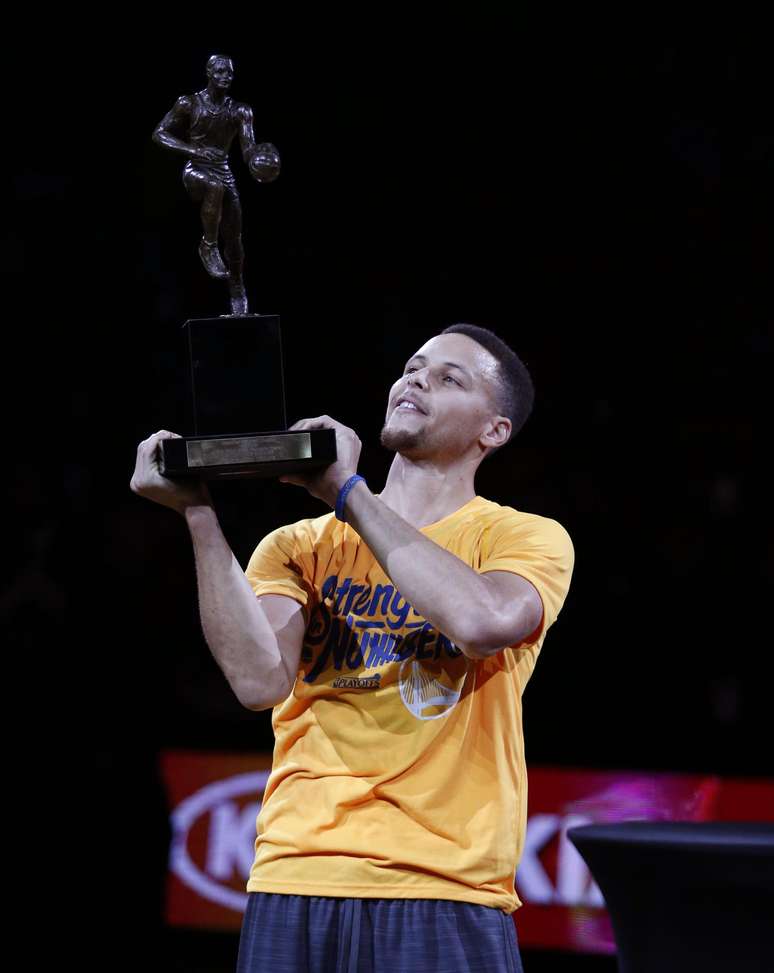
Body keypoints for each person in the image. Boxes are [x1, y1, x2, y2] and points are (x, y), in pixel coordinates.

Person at [130, 323, 575, 971]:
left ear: (494, 430)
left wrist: (346, 492)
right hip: (296, 873)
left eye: (450, 377)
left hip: (441, 882)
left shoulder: (522, 538)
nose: (417, 379)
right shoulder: (299, 545)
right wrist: (197, 514)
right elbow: (258, 682)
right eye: (413, 367)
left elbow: (483, 621)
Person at [153, 55, 263, 315]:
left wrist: (259, 159)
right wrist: (194, 149)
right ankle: (208, 245)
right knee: (214, 186)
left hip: (224, 173)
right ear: (210, 73)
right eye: (221, 71)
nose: (227, 76)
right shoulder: (189, 103)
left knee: (235, 239)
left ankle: (238, 292)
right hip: (196, 171)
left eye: (230, 73)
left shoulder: (240, 110)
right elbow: (159, 133)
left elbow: (247, 148)